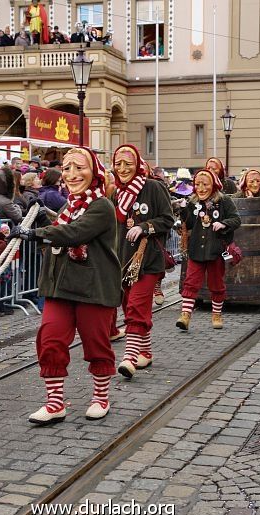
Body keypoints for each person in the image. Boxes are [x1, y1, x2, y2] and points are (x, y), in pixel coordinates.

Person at [8, 147, 121, 423]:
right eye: (67, 168)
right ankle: (55, 402)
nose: (72, 174)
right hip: (60, 287)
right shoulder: (71, 205)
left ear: (94, 172)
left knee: (97, 344)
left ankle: (100, 397)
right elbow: (63, 228)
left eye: (79, 167)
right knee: (50, 340)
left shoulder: (101, 205)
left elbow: (74, 233)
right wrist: (40, 218)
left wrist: (33, 233)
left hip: (93, 287)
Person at [108, 145, 174, 379]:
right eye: (118, 164)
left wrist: (144, 227)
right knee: (130, 307)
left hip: (148, 260)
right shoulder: (116, 192)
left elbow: (168, 219)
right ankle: (145, 351)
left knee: (136, 306)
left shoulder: (153, 187)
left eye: (128, 163)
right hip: (123, 261)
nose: (123, 168)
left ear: (137, 164)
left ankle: (129, 357)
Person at [176, 169, 242, 331]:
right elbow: (189, 224)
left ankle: (216, 315)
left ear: (213, 185)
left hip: (216, 251)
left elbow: (236, 219)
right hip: (196, 250)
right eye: (197, 184)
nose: (201, 188)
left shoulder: (224, 201)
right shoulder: (193, 202)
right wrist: (183, 210)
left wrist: (224, 223)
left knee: (216, 284)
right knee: (190, 282)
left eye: (205, 184)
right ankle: (185, 316)